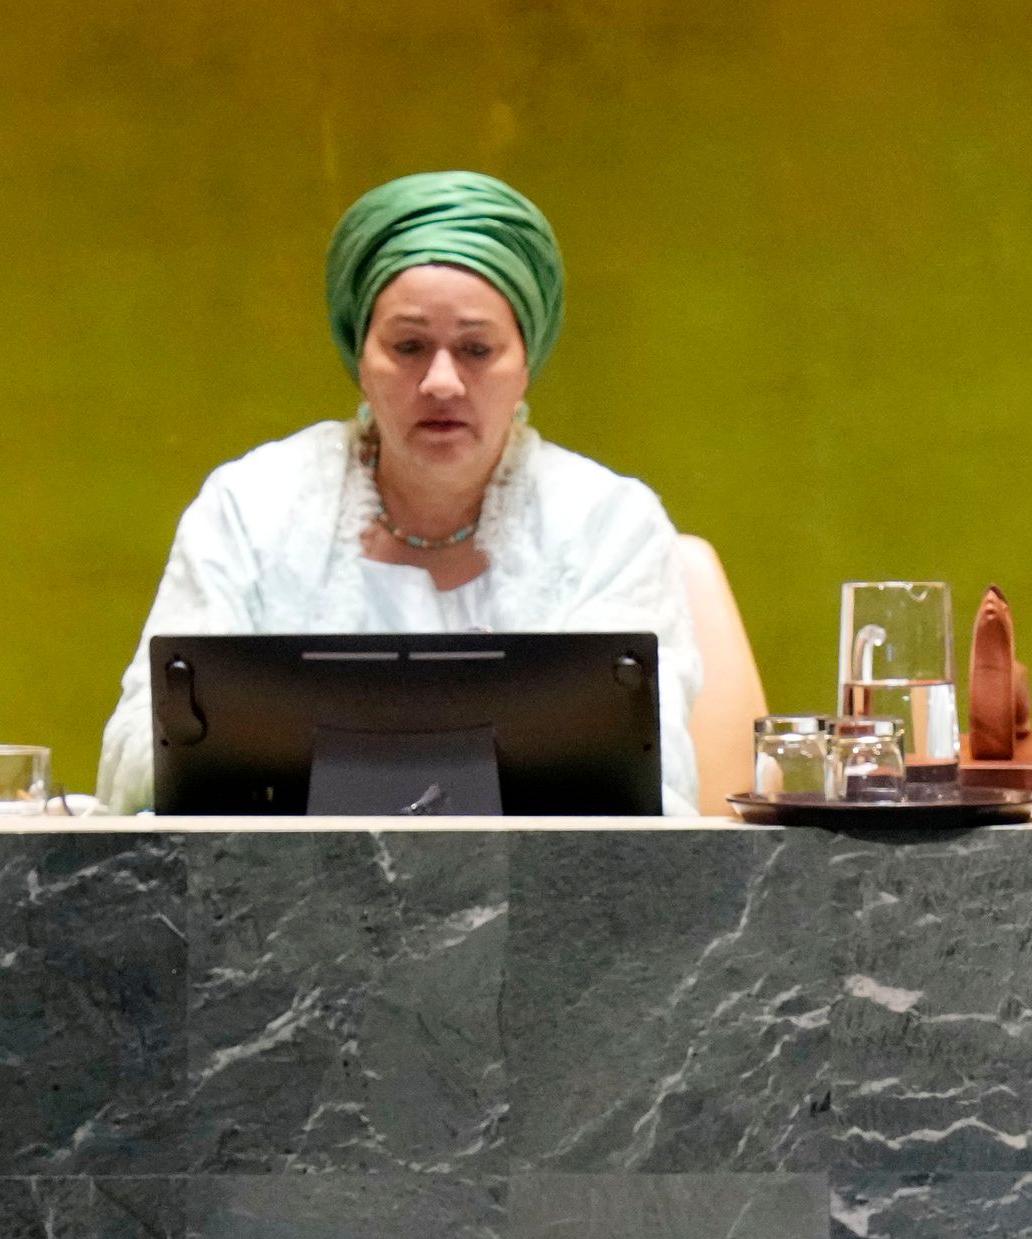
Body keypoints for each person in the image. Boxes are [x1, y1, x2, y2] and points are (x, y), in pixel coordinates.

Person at [95, 170, 703, 815]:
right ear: (361, 358)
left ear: (528, 362)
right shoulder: (252, 505)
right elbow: (143, 752)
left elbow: (649, 779)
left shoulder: (608, 521)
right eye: (409, 346)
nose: (441, 382)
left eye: (476, 349)